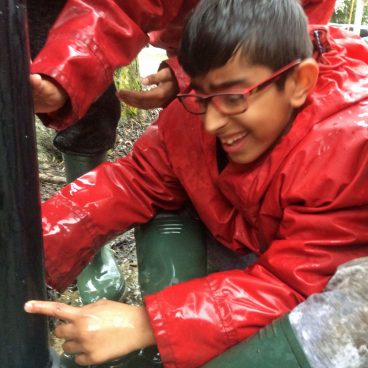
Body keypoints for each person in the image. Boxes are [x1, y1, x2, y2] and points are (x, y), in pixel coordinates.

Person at [25, 0, 368, 367]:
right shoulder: (198, 112)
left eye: (232, 99)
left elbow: (303, 289)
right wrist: (30, 249)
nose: (211, 124)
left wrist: (147, 324)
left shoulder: (349, 149)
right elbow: (134, 179)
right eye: (202, 97)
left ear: (301, 82)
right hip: (260, 242)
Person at [31, 0, 337, 129]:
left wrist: (187, 75)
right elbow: (122, 7)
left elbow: (289, 48)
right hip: (192, 48)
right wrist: (65, 74)